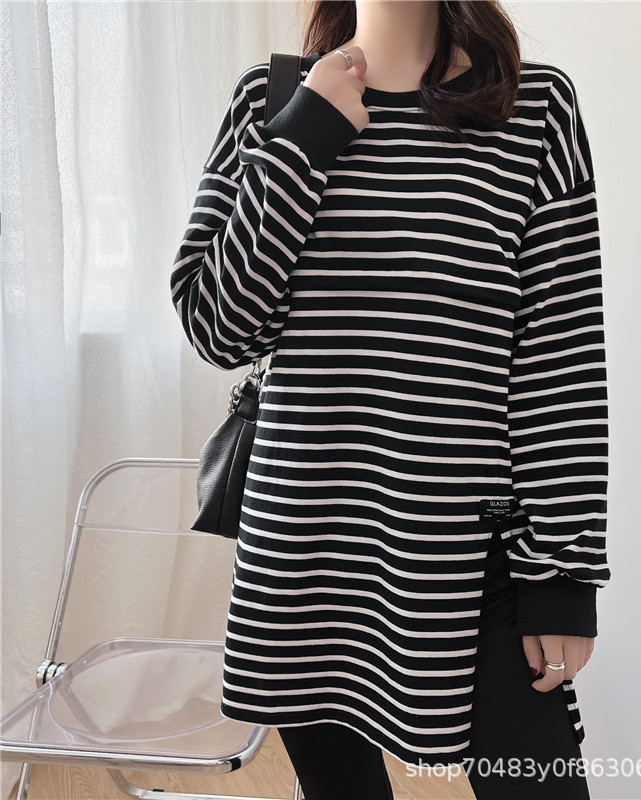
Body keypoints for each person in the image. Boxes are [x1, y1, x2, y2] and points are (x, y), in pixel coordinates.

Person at [169, 1, 610, 797]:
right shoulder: (272, 101)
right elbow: (217, 327)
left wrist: (563, 573)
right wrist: (304, 138)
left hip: (472, 553)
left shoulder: (535, 108)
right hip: (304, 551)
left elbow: (560, 362)